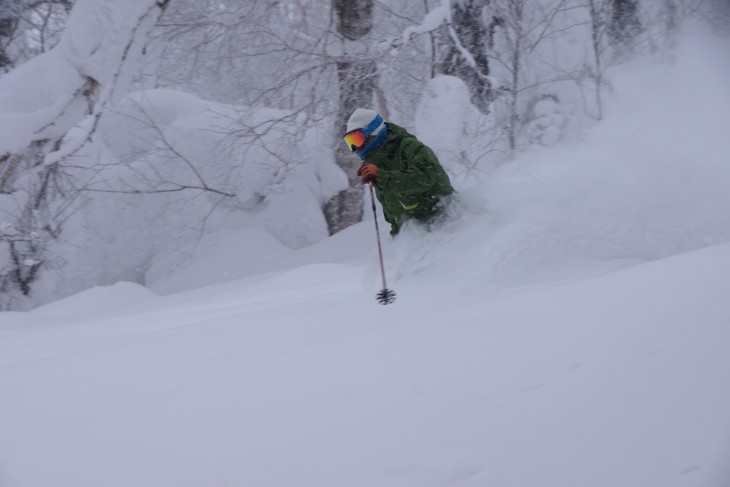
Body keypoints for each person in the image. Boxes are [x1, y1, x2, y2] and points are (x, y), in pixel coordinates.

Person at [343, 108, 455, 236]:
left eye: (356, 139)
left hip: (449, 225)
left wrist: (383, 176)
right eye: (350, 143)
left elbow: (425, 179)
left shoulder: (410, 147)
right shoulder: (377, 163)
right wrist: (397, 237)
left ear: (373, 131)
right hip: (419, 237)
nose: (355, 148)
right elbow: (396, 215)